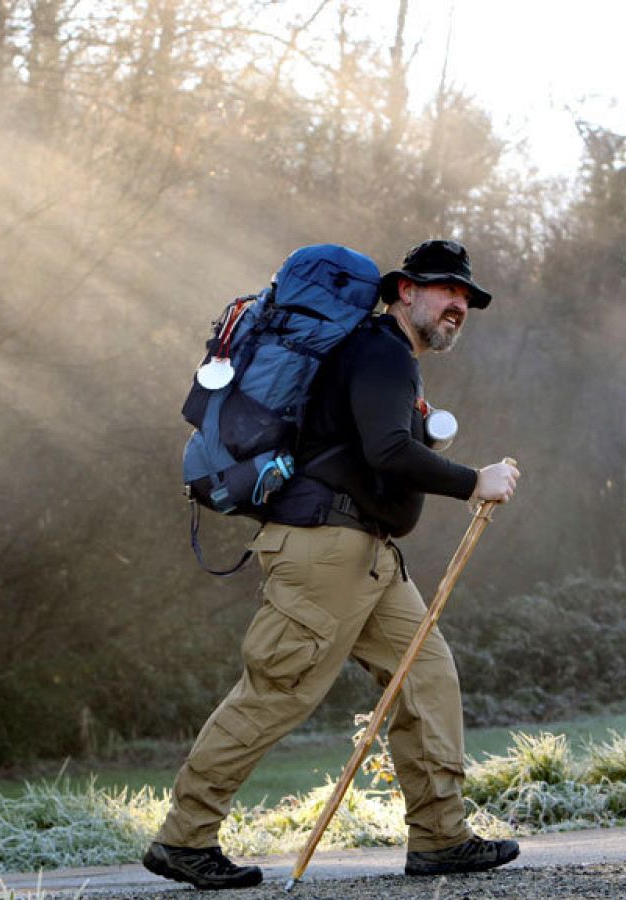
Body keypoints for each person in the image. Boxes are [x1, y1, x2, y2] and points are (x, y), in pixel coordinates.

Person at [145, 239, 523, 890]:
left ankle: (440, 837)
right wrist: (473, 480)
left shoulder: (383, 355)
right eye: (445, 290)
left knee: (425, 676)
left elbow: (377, 448)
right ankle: (185, 838)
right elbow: (387, 452)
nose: (459, 304)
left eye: (466, 296)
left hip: (365, 556)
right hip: (325, 551)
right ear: (406, 290)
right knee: (277, 692)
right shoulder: (380, 353)